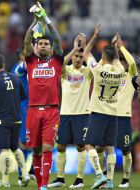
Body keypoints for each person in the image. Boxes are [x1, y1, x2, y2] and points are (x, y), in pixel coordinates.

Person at [24, 3, 63, 190]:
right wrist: (34, 22)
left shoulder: (56, 61)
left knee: (47, 148)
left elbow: (56, 37)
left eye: (47, 43)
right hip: (32, 111)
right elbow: (26, 42)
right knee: (36, 150)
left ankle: (45, 185)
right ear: (36, 46)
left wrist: (45, 19)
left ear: (51, 48)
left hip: (51, 111)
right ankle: (40, 185)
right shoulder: (31, 61)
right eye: (41, 43)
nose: (44, 45)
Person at [83, 23, 125, 189]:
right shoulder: (120, 70)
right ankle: (109, 181)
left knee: (89, 145)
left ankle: (100, 175)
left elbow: (86, 52)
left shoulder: (98, 69)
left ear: (102, 56)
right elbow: (116, 59)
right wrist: (116, 46)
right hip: (113, 113)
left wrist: (94, 36)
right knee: (110, 148)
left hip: (98, 112)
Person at [48, 34, 91, 188]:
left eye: (80, 56)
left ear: (84, 58)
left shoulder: (88, 72)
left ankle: (79, 179)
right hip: (65, 114)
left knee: (81, 146)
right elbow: (58, 65)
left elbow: (90, 61)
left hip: (82, 114)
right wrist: (74, 49)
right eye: (76, 56)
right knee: (60, 146)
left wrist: (84, 48)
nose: (78, 59)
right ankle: (60, 178)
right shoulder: (66, 71)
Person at [97, 34, 138, 188]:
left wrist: (120, 46)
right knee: (102, 147)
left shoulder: (131, 77)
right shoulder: (110, 75)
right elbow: (103, 64)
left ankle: (126, 178)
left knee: (126, 150)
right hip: (108, 115)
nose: (122, 63)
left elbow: (133, 62)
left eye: (124, 61)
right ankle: (103, 176)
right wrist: (113, 49)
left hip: (123, 118)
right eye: (119, 60)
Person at [0, 54, 30, 188]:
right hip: (17, 118)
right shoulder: (15, 77)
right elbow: (23, 96)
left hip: (3, 120)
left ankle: (5, 181)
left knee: (4, 149)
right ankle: (25, 174)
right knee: (15, 147)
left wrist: (1, 104)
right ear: (4, 64)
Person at [12, 47, 35, 186]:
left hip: (34, 107)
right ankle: (22, 175)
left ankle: (31, 170)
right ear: (20, 57)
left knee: (35, 141)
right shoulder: (18, 68)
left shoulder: (29, 68)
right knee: (23, 142)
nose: (27, 57)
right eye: (24, 56)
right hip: (24, 109)